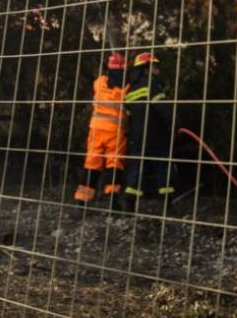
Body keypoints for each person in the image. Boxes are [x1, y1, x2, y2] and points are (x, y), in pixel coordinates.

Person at [73, 52, 128, 207]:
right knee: (114, 164)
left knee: (92, 162)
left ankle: (82, 199)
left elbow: (101, 80)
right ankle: (112, 198)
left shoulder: (99, 82)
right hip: (115, 131)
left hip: (96, 128)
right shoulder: (125, 88)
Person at [123, 51, 176, 201]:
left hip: (138, 137)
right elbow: (163, 108)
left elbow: (128, 115)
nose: (158, 70)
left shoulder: (130, 89)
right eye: (155, 66)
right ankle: (168, 204)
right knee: (162, 167)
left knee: (136, 169)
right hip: (155, 135)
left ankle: (129, 203)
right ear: (146, 68)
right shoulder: (152, 84)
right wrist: (174, 124)